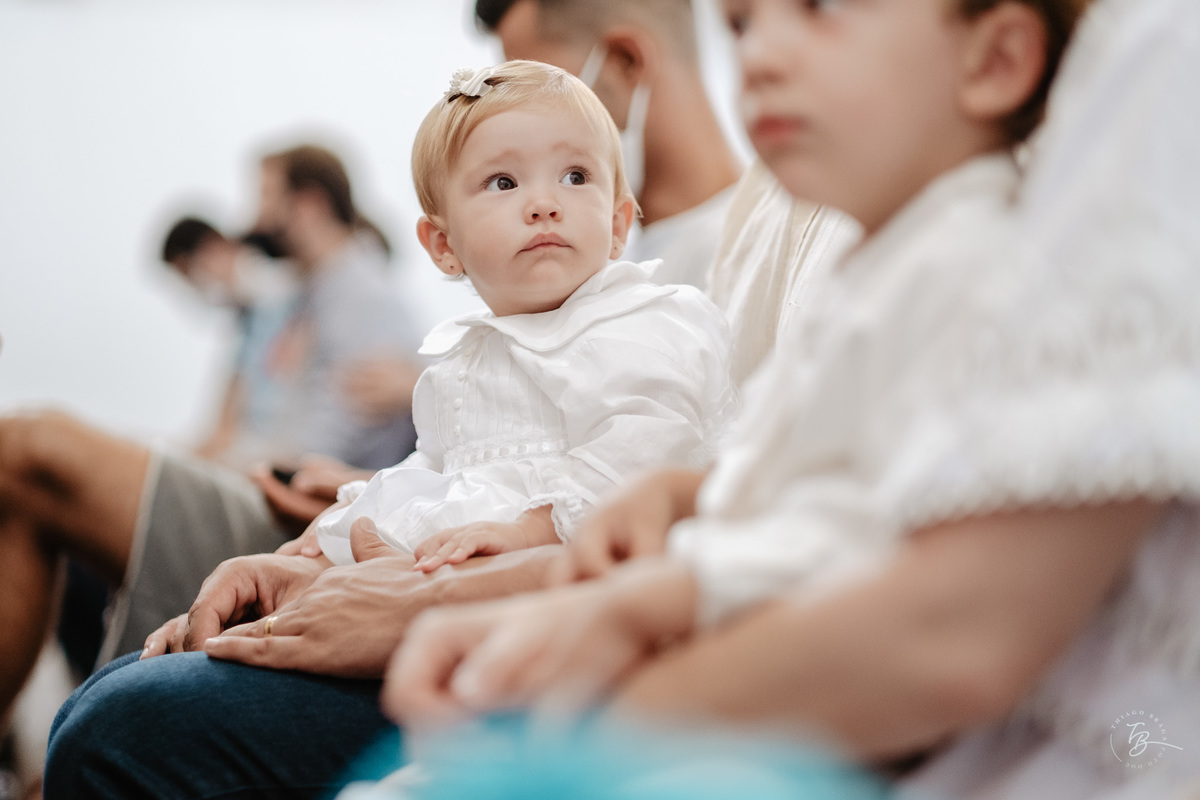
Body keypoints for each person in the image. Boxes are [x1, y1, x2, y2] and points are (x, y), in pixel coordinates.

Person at [360, 0, 1199, 797]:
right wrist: (685, 499)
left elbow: (866, 535)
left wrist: (647, 603)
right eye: (741, 23)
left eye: (820, 6)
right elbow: (812, 486)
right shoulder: (871, 266)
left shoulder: (969, 270)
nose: (757, 53)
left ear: (997, 59)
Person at [0, 143, 423, 710]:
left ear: (309, 204)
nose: (252, 221)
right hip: (265, 483)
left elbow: (317, 450)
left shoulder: (360, 295)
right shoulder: (304, 298)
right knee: (37, 469)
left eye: (267, 199)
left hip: (286, 504)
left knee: (29, 449)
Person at [309, 60, 735, 569]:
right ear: (444, 244)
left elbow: (650, 447)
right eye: (504, 182)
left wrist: (532, 529)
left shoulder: (636, 324)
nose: (544, 204)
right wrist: (329, 538)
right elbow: (434, 476)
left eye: (575, 176)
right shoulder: (464, 365)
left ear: (619, 224)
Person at [475, 0, 743, 289]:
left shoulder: (764, 255)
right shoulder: (604, 274)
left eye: (541, 97)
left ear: (624, 61)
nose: (525, 129)